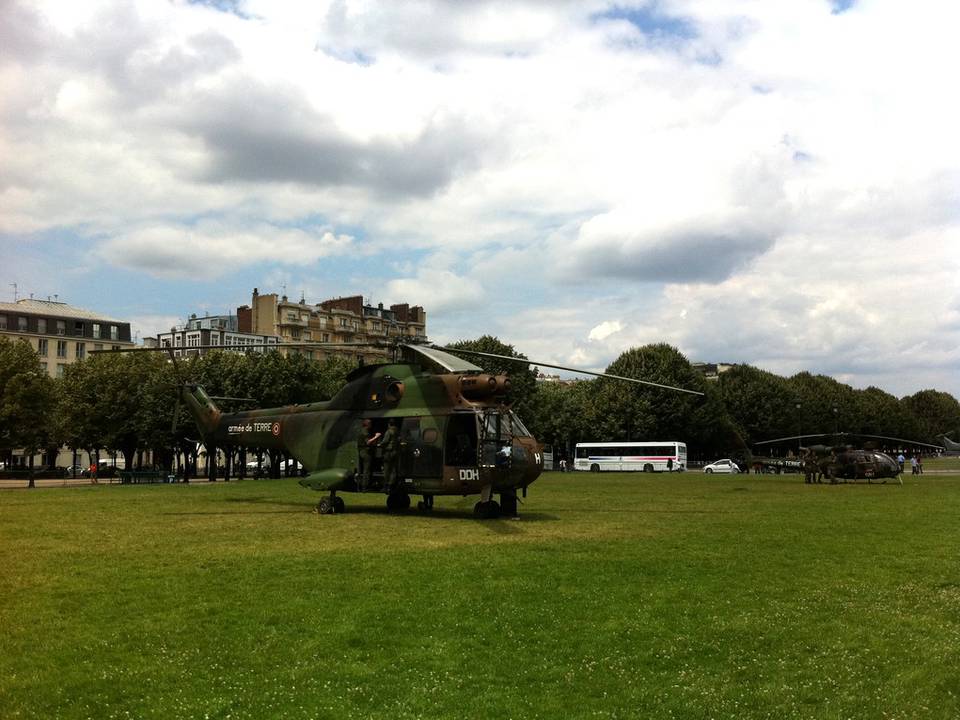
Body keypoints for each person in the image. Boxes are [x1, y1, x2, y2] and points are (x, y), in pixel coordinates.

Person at [356, 419, 381, 491]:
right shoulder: (365, 431)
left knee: (365, 469)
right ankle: (365, 486)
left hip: (362, 451)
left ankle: (364, 485)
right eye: (370, 424)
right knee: (366, 470)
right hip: (365, 452)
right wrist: (376, 436)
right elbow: (368, 442)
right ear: (367, 424)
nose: (371, 425)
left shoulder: (362, 430)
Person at [380, 419, 399, 494]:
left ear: (389, 424)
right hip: (395, 452)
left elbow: (385, 441)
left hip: (388, 452)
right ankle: (391, 486)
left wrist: (380, 444)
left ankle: (386, 487)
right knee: (393, 470)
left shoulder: (389, 431)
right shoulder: (397, 431)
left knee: (386, 470)